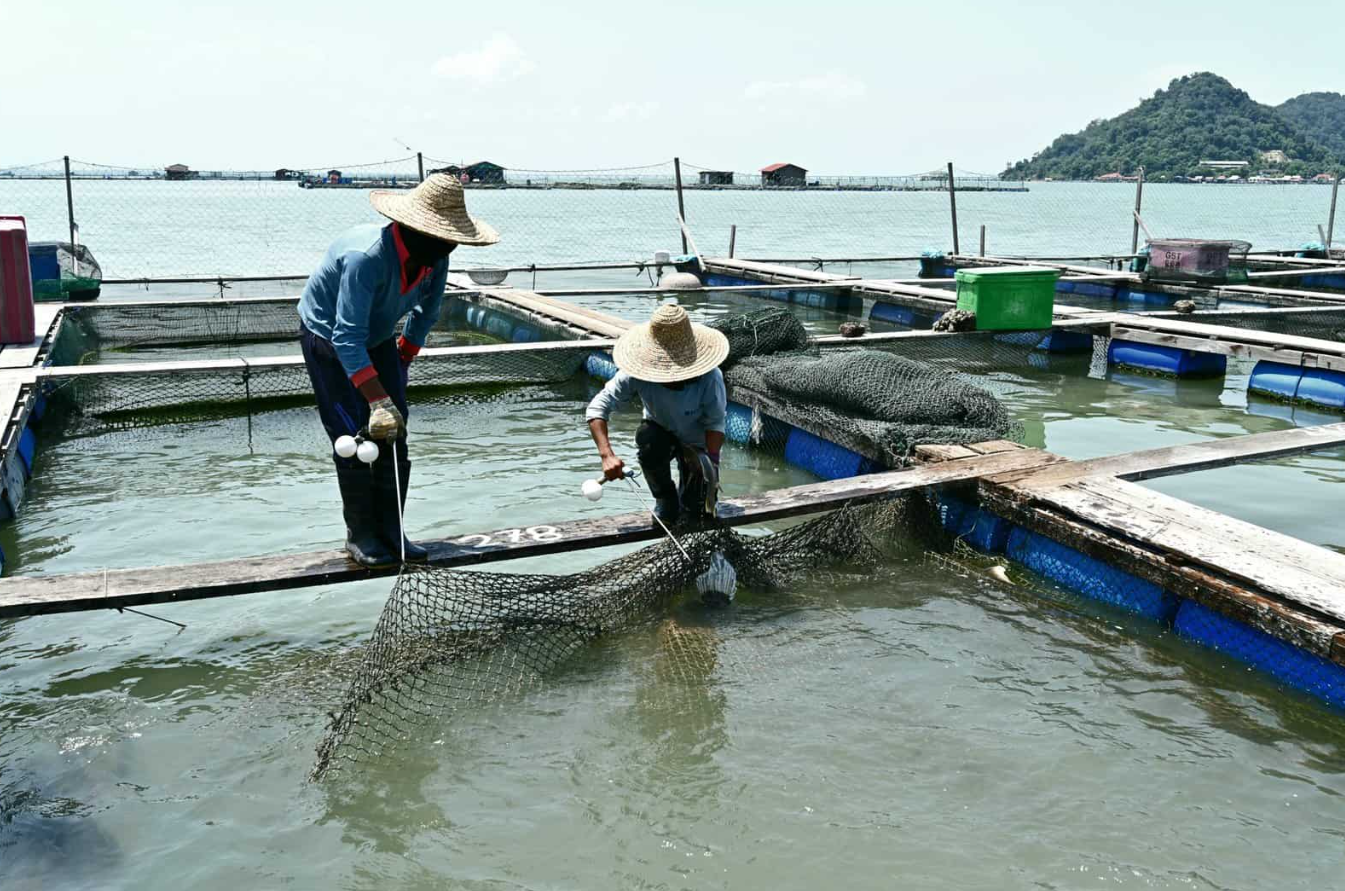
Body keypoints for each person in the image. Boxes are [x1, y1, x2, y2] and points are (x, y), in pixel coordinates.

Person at [298, 174, 498, 567]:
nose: (449, 246)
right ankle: (361, 534)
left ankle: (393, 529)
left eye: (453, 239)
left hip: (377, 336)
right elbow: (345, 337)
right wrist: (376, 399)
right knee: (353, 435)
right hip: (328, 337)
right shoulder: (366, 258)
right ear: (413, 229)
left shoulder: (434, 258)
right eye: (443, 238)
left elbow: (426, 314)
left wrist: (399, 368)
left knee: (396, 428)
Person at [586, 303, 730, 527]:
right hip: (660, 431)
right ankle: (665, 499)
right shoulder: (636, 373)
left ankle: (697, 497)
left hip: (699, 442)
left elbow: (716, 422)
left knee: (699, 512)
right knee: (648, 439)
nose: (672, 377)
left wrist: (710, 464)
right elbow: (598, 406)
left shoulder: (710, 378)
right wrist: (607, 455)